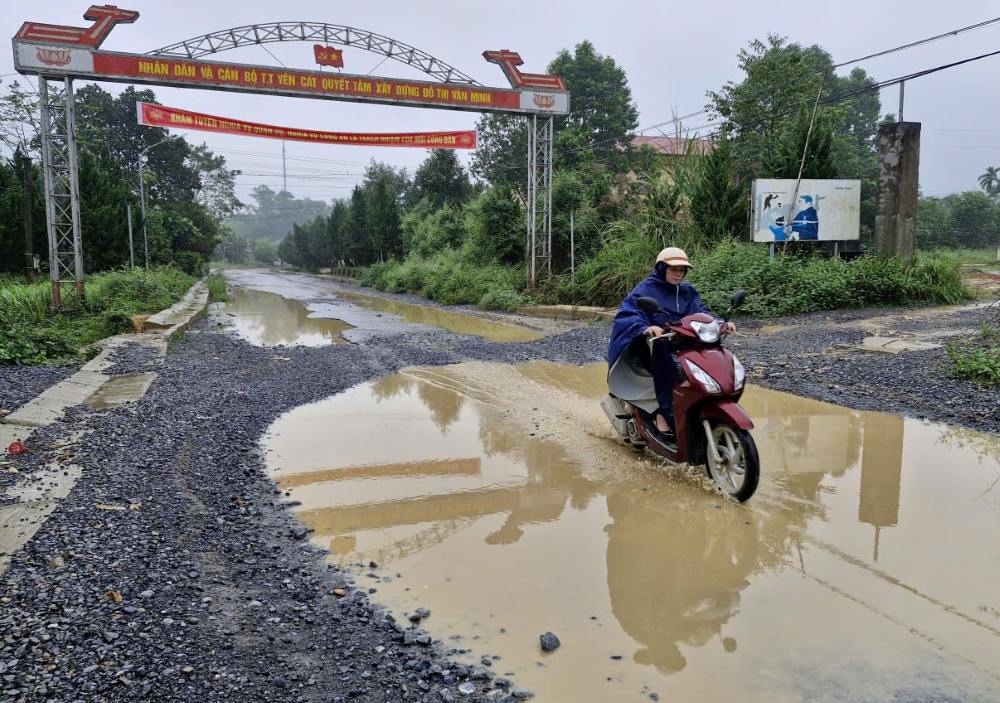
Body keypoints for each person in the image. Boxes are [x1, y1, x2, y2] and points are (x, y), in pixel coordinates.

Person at [607, 247, 737, 435]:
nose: (679, 274)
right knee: (668, 368)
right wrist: (645, 328)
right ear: (661, 268)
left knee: (709, 363)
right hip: (654, 344)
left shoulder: (687, 291)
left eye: (682, 270)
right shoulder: (646, 289)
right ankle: (662, 412)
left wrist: (720, 323)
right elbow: (630, 313)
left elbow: (701, 313)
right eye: (674, 269)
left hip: (685, 342)